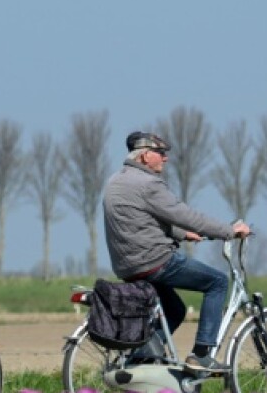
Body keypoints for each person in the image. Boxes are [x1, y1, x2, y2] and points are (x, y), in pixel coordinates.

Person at [102, 131, 251, 373]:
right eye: (160, 153)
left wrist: (182, 234)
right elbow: (186, 215)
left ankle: (144, 357)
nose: (165, 158)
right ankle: (202, 354)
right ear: (144, 156)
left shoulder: (115, 182)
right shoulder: (148, 184)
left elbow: (140, 219)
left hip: (127, 265)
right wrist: (229, 231)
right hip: (155, 261)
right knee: (217, 282)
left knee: (175, 310)